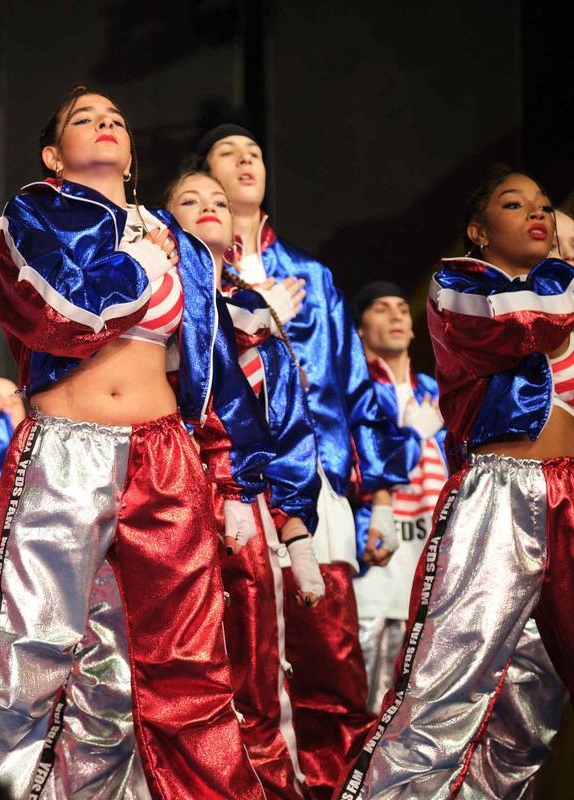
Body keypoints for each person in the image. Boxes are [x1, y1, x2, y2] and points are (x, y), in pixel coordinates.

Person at [0, 86, 272, 799]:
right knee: (29, 651)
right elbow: (58, 312)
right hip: (68, 448)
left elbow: (209, 370)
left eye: (116, 118)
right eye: (85, 119)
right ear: (53, 155)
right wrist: (142, 264)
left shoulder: (177, 241)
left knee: (176, 665)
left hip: (164, 455)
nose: (106, 124)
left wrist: (235, 478)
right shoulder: (35, 212)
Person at [338, 169, 574, 799]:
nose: (538, 213)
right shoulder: (460, 288)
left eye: (545, 206)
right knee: (447, 687)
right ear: (478, 231)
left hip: (570, 493)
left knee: (531, 706)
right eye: (515, 204)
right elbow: (531, 325)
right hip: (501, 497)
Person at [197, 123, 415, 798]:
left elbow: (356, 390)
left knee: (331, 660)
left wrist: (380, 501)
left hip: (311, 482)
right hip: (225, 485)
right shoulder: (193, 277)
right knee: (239, 662)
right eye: (228, 154)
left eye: (254, 153)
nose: (245, 161)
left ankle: (332, 788)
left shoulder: (312, 277)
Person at [167, 169, 324, 799]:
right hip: (166, 495)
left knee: (256, 667)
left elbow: (286, 421)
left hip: (247, 502)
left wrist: (297, 530)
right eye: (190, 200)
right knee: (175, 667)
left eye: (218, 201)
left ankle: (269, 789)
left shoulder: (255, 314)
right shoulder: (152, 300)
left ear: (236, 230)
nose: (208, 206)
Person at [349, 282, 446, 711]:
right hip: (373, 570)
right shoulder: (355, 391)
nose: (396, 316)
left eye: (403, 309)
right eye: (381, 308)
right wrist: (413, 434)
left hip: (429, 575)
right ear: (360, 328)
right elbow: (355, 466)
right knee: (367, 706)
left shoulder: (435, 393)